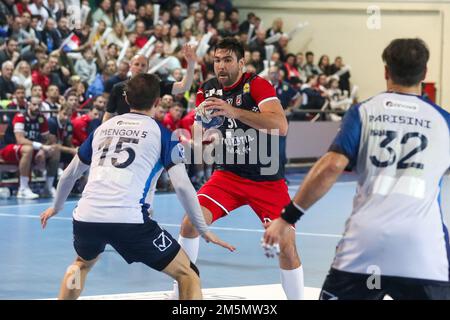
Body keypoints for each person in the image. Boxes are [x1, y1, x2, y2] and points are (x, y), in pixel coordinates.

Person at [264, 38, 450, 300]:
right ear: (425, 73)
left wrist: (287, 218)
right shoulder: (443, 122)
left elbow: (331, 167)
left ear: (386, 71)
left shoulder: (364, 112)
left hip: (365, 246)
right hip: (424, 250)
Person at [39, 73, 235, 300]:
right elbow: (182, 186)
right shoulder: (163, 134)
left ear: (127, 99)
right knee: (188, 273)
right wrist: (203, 228)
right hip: (129, 221)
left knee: (80, 264)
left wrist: (56, 207)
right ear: (157, 102)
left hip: (86, 217)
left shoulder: (103, 128)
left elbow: (69, 175)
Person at [174, 37, 304, 299]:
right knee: (190, 223)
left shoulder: (257, 85)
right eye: (217, 60)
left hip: (266, 179)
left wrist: (233, 111)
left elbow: (280, 126)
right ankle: (181, 293)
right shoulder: (207, 89)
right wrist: (200, 136)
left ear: (241, 63)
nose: (220, 66)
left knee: (286, 245)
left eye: (227, 60)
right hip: (228, 175)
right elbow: (202, 131)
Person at [102, 44, 197, 122]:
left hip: (146, 130)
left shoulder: (155, 85)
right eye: (136, 64)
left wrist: (191, 64)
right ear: (130, 66)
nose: (140, 67)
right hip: (123, 129)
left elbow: (184, 86)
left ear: (147, 68)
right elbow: (108, 114)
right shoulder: (118, 87)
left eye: (143, 65)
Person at [0, 95, 59, 199]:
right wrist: (41, 146)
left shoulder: (41, 118)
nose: (37, 107)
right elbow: (20, 139)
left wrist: (43, 150)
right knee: (28, 149)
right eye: (34, 104)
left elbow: (47, 138)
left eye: (39, 105)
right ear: (28, 105)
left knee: (54, 151)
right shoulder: (20, 116)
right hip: (9, 148)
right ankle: (22, 189)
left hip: (32, 149)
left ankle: (48, 188)